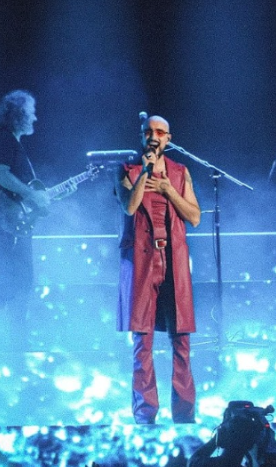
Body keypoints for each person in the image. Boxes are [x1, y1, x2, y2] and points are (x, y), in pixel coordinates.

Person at [114, 114, 201, 424]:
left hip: (173, 259)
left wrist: (167, 190)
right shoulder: (127, 170)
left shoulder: (180, 172)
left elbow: (194, 217)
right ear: (142, 136)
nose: (154, 136)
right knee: (143, 340)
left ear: (168, 138)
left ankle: (185, 414)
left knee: (181, 339)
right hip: (141, 261)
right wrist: (145, 172)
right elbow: (129, 206)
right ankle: (145, 414)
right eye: (149, 131)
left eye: (160, 132)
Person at [0, 90, 72, 341]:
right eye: (31, 113)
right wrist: (32, 195)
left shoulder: (10, 142)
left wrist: (51, 195)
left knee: (18, 279)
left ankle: (15, 337)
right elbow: (1, 175)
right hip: (6, 219)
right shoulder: (3, 139)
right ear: (18, 115)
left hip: (14, 220)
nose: (35, 119)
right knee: (15, 279)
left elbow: (25, 195)